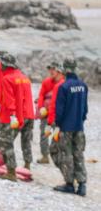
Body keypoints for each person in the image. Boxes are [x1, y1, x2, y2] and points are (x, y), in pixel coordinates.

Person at [0, 52, 34, 180]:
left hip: (14, 116)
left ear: (5, 65)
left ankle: (11, 172)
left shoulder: (7, 78)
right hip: (29, 115)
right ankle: (27, 165)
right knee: (26, 141)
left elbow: (10, 100)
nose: (0, 65)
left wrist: (12, 116)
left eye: (1, 63)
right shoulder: (24, 78)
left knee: (6, 142)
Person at [51, 58, 88, 196]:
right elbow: (85, 109)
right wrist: (80, 120)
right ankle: (82, 184)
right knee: (78, 154)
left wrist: (58, 125)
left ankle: (69, 184)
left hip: (66, 127)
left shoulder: (64, 87)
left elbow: (59, 111)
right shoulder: (83, 86)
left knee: (67, 155)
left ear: (65, 69)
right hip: (79, 126)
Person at [36, 61, 63, 164]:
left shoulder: (63, 83)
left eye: (53, 69)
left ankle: (58, 155)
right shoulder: (46, 82)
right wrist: (41, 107)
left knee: (57, 135)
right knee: (44, 134)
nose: (51, 71)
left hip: (57, 115)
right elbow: (41, 95)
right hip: (46, 113)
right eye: (50, 69)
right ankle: (45, 156)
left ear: (59, 71)